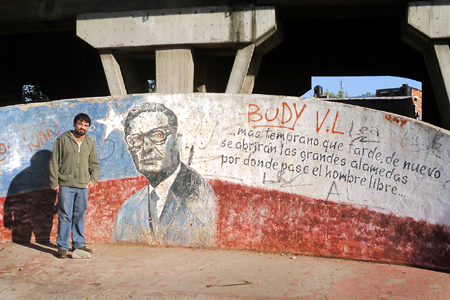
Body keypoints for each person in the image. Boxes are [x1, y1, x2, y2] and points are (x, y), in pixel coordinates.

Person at [113, 102, 217, 246]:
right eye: (136, 139)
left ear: (176, 141)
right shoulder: (128, 209)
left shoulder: (199, 193)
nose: (146, 147)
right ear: (129, 148)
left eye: (157, 135)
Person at [49, 113, 100, 258]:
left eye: (85, 125)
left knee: (79, 215)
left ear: (88, 127)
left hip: (83, 186)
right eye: (80, 124)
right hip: (66, 184)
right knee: (65, 215)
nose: (82, 127)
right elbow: (54, 162)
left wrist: (93, 180)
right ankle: (63, 247)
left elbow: (95, 164)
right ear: (75, 124)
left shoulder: (90, 143)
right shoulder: (63, 140)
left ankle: (78, 245)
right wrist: (55, 182)